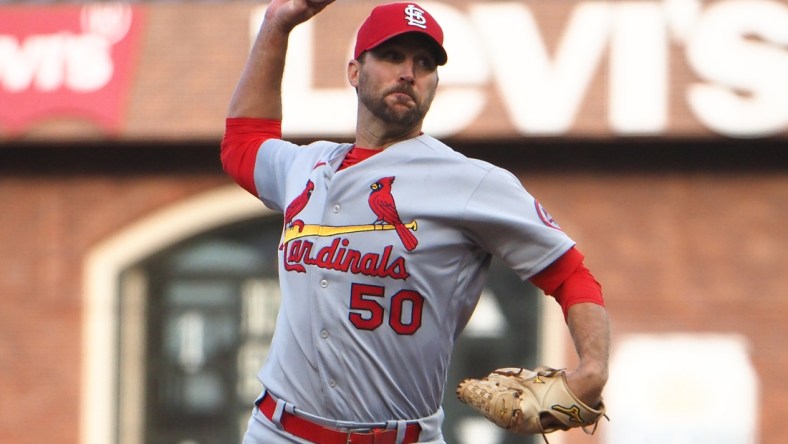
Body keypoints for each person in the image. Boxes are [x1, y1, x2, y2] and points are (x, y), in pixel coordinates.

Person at [221, 1, 610, 443]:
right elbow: (242, 144)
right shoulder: (306, 167)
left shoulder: (471, 182)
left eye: (424, 64)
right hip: (277, 432)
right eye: (392, 56)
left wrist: (592, 367)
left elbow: (570, 273)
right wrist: (278, 23)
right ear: (355, 71)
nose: (408, 72)